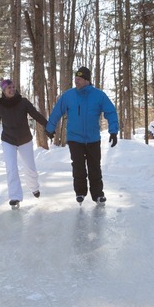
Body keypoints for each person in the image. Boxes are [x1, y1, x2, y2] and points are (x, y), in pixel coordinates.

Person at [45, 66, 118, 205]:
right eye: (75, 79)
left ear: (87, 80)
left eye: (79, 79)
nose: (76, 81)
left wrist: (113, 131)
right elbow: (57, 111)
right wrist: (50, 128)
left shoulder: (99, 95)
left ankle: (98, 195)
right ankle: (80, 192)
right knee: (78, 167)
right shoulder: (68, 95)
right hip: (74, 138)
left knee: (94, 167)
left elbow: (111, 112)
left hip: (93, 138)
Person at [0, 78, 48, 209]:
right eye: (9, 87)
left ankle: (34, 187)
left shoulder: (23, 102)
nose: (12, 89)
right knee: (11, 169)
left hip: (24, 139)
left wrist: (47, 126)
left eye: (13, 87)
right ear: (4, 90)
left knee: (30, 167)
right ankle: (15, 197)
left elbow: (36, 115)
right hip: (8, 140)